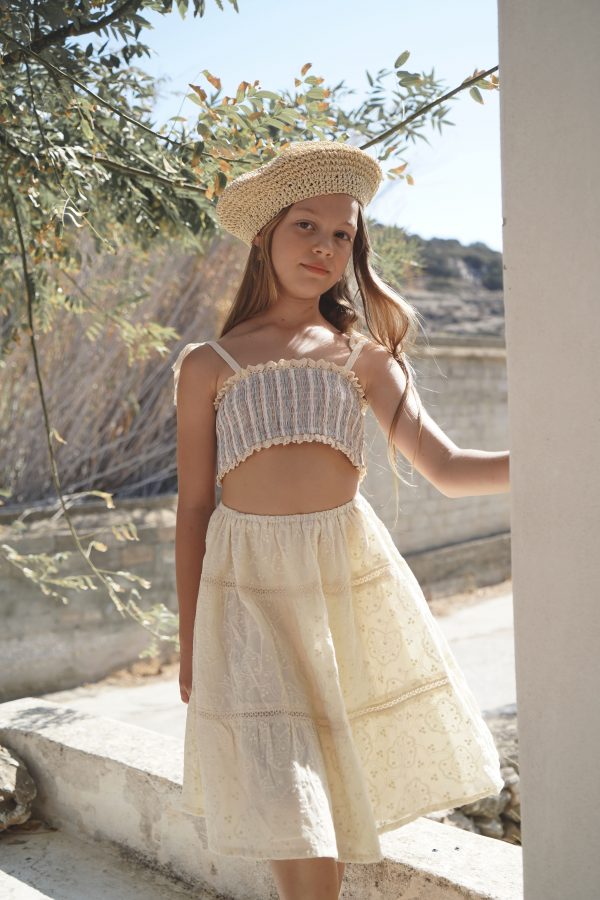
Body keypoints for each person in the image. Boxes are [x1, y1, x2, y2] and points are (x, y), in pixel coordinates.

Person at [171, 139, 510, 900]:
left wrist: (558, 461)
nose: (324, 247)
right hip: (246, 599)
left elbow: (449, 470)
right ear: (266, 235)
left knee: (320, 795)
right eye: (306, 227)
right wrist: (191, 636)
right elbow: (194, 507)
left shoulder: (364, 357)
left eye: (342, 235)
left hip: (341, 596)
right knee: (288, 799)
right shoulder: (208, 365)